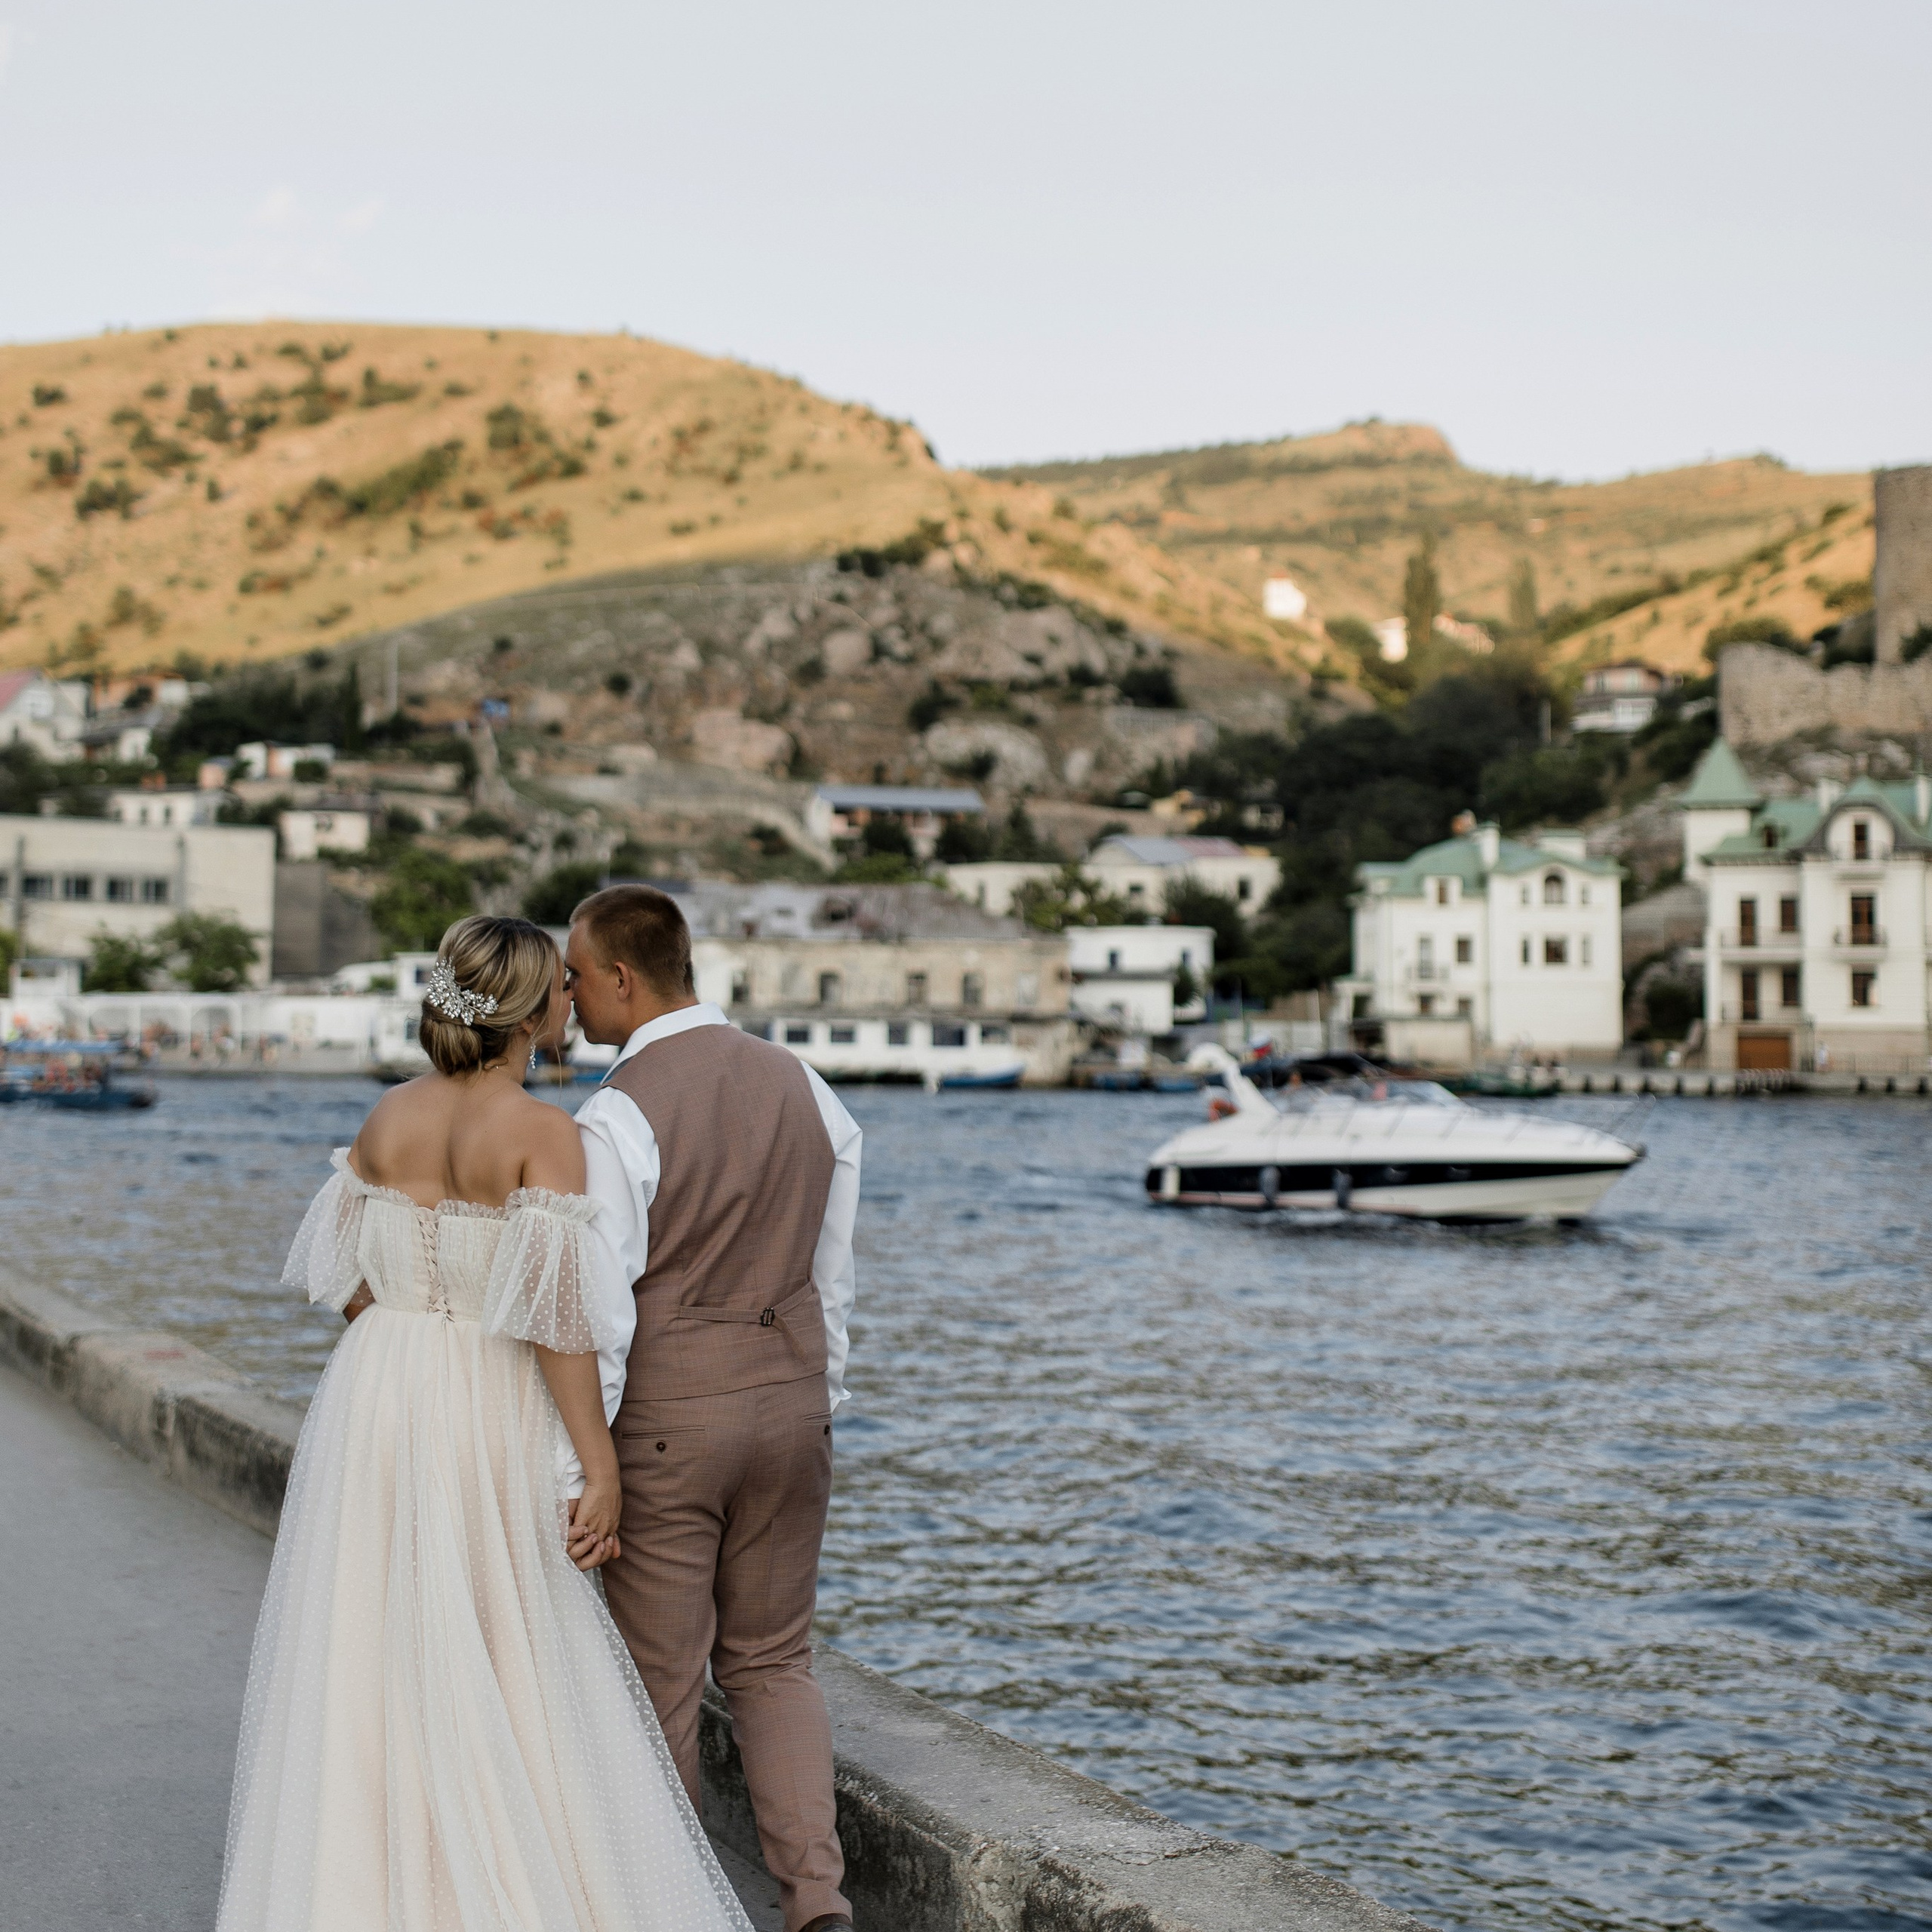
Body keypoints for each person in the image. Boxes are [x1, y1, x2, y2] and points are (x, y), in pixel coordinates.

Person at [217, 915, 751, 1932]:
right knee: (503, 1633)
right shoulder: (545, 1134)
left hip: (377, 1392)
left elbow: (348, 1284)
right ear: (527, 1016)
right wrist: (599, 1466)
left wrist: (414, 1329)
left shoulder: (384, 1120)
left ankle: (367, 1886)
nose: (568, 1003)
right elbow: (557, 1324)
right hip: (479, 1399)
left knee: (374, 1641)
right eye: (557, 989)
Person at [566, 885, 860, 1932]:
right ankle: (817, 1905)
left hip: (669, 1424)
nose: (568, 997)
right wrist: (815, 1404)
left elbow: (602, 1308)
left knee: (661, 1687)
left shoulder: (615, 1113)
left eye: (574, 974)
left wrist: (586, 1468)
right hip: (792, 1414)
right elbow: (832, 1277)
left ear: (620, 978)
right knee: (777, 1665)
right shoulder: (811, 1085)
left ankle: (677, 1909)